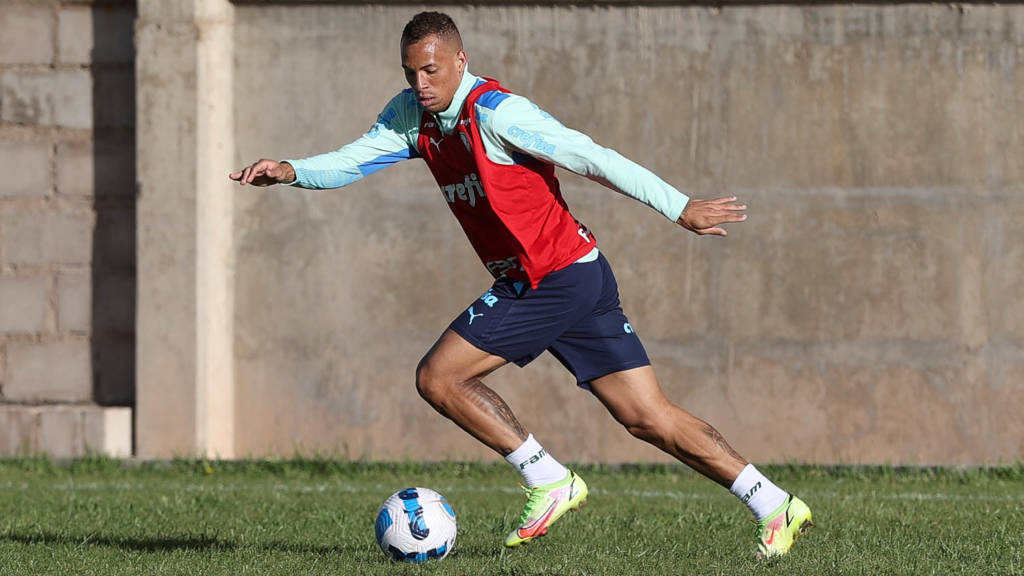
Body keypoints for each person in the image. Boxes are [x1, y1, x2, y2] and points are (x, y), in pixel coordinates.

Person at [230, 11, 812, 559]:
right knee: (647, 416)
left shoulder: (498, 113)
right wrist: (291, 170)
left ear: (460, 60)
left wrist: (679, 206)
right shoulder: (412, 116)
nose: (420, 83)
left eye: (430, 70)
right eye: (410, 72)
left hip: (552, 278)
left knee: (439, 377)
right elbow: (353, 160)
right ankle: (774, 504)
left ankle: (548, 478)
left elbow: (592, 157)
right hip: (575, 273)